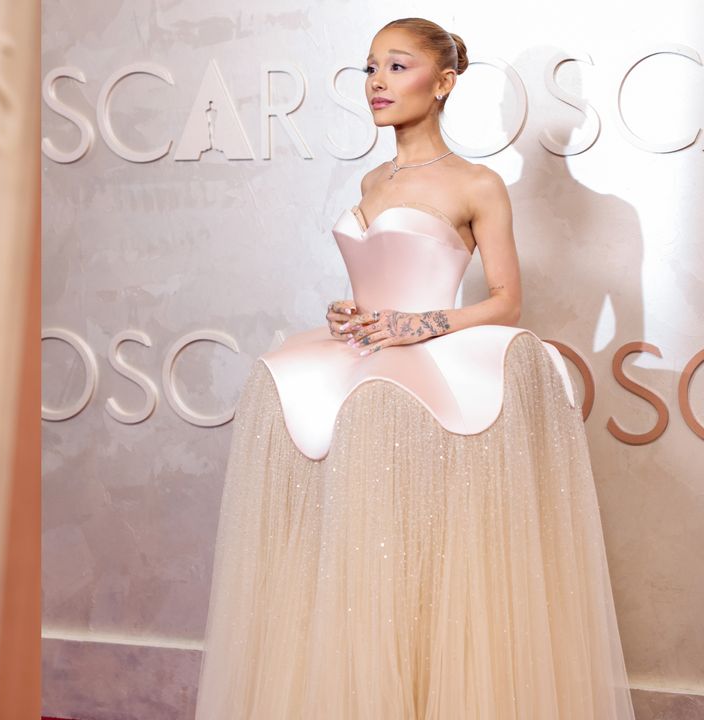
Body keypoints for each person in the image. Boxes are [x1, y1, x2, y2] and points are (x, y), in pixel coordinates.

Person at [193, 18, 635, 719]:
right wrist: (355, 312)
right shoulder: (372, 178)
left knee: (432, 551)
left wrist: (416, 324)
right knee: (341, 515)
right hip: (363, 361)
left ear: (445, 82)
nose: (377, 83)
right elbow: (381, 276)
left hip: (430, 371)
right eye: (371, 67)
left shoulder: (478, 182)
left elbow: (507, 301)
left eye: (398, 67)